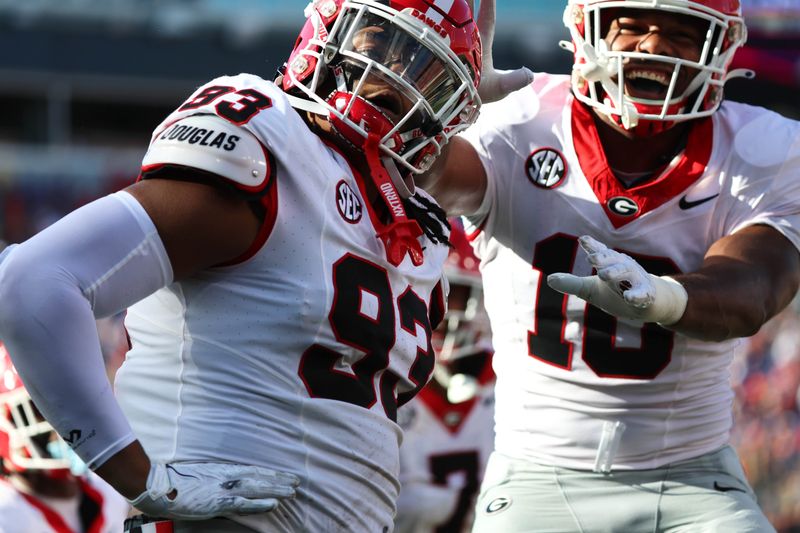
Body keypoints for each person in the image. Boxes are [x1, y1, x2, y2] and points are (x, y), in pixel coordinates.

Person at [0, 0, 512, 530]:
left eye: (424, 71)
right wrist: (142, 477)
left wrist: (496, 126)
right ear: (326, 31)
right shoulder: (272, 139)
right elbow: (33, 282)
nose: (396, 77)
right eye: (381, 41)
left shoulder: (416, 228)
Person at [418, 0, 800, 531]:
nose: (652, 45)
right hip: (536, 476)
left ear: (723, 47)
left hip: (692, 479)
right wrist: (429, 122)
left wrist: (664, 298)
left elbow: (754, 287)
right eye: (632, 26)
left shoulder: (765, 149)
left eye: (681, 34)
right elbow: (437, 177)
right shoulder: (518, 119)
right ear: (585, 31)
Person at [394, 220, 495, 533]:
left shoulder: (509, 380)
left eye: (454, 292)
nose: (439, 309)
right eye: (429, 293)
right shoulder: (389, 383)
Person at [0, 343, 130, 533]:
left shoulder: (110, 492)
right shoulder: (7, 514)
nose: (61, 423)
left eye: (67, 405)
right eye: (40, 411)